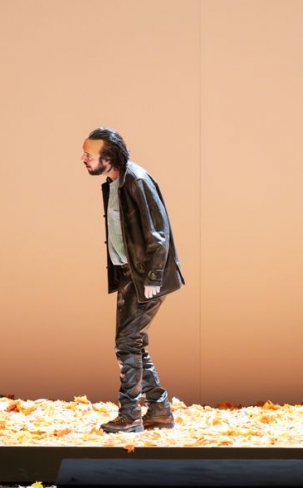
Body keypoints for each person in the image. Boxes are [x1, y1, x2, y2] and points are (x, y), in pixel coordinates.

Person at [81, 127, 185, 433]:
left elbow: (159, 233)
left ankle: (130, 415)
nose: (84, 159)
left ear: (109, 158)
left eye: (89, 155)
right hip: (130, 274)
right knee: (133, 343)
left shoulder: (137, 180)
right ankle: (159, 410)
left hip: (146, 277)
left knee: (126, 343)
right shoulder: (114, 183)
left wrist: (152, 276)